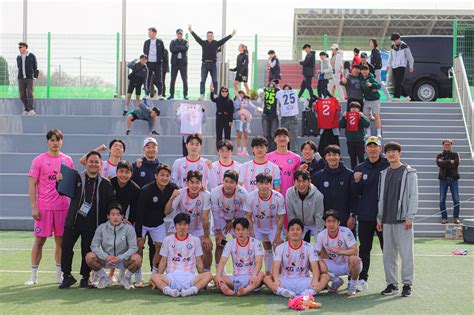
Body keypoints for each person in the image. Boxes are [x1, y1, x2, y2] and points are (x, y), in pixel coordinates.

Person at [58, 151, 116, 289]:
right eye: (91, 161)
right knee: (66, 247)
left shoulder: (105, 184)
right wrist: (59, 181)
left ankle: (85, 277)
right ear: (86, 163)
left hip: (93, 223)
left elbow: (112, 202)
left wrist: (118, 214)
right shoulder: (76, 178)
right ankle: (67, 276)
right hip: (73, 221)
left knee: (86, 250)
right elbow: (61, 190)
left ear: (101, 165)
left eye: (97, 162)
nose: (94, 164)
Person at [25, 129, 75, 286]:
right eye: (52, 140)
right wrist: (34, 207)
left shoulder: (67, 160)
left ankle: (59, 275)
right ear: (47, 142)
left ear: (62, 141)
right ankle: (33, 275)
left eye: (58, 139)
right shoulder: (38, 160)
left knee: (60, 242)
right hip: (44, 208)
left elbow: (72, 183)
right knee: (39, 241)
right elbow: (32, 185)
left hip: (62, 207)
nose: (55, 143)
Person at [377, 141, 418, 297]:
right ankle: (392, 284)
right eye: (388, 151)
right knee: (388, 254)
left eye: (394, 151)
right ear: (385, 154)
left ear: (399, 153)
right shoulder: (384, 173)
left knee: (406, 253)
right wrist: (379, 218)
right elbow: (380, 197)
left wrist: (410, 216)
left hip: (403, 220)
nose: (391, 154)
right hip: (386, 220)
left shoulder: (409, 172)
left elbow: (413, 196)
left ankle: (407, 284)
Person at [352, 136, 389, 291]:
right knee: (365, 248)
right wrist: (356, 182)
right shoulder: (360, 168)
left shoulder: (388, 166)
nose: (373, 150)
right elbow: (355, 194)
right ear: (365, 149)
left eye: (376, 146)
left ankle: (391, 280)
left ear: (380, 149)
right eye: (370, 147)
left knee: (387, 249)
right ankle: (362, 279)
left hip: (385, 216)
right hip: (366, 216)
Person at [149, 213, 214, 297]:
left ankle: (191, 291)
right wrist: (158, 276)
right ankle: (169, 291)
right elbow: (163, 261)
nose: (182, 227)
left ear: (188, 225)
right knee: (154, 277)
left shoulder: (195, 240)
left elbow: (199, 262)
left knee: (208, 275)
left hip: (190, 278)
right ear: (175, 226)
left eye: (185, 224)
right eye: (179, 224)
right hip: (171, 278)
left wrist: (201, 277)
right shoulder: (167, 240)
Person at [264, 218, 329, 297]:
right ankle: (282, 291)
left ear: (302, 232)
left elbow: (315, 267)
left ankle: (310, 292)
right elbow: (275, 267)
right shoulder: (280, 247)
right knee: (266, 278)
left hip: (304, 281)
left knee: (325, 277)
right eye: (292, 229)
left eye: (298, 229)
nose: (295, 232)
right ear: (287, 233)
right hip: (285, 281)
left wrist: (315, 281)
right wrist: (277, 281)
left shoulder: (309, 247)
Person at [135, 164, 179, 281]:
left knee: (160, 247)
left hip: (158, 223)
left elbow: (185, 191)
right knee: (139, 247)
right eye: (162, 175)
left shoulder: (172, 188)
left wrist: (201, 188)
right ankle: (138, 274)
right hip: (143, 223)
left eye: (167, 175)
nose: (164, 178)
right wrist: (139, 235)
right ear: (156, 176)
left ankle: (154, 273)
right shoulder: (146, 190)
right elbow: (139, 213)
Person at [86, 204, 141, 289]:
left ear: (122, 216)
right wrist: (106, 257)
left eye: (118, 215)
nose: (116, 217)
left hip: (123, 260)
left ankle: (126, 278)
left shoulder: (129, 229)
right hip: (107, 260)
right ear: (108, 216)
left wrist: (120, 257)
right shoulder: (101, 228)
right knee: (89, 257)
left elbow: (134, 247)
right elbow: (94, 246)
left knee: (137, 259)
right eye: (113, 214)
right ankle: (104, 278)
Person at [169, 170, 213, 272]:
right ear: (187, 183)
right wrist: (172, 198)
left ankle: (206, 275)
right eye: (192, 182)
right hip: (181, 227)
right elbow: (167, 211)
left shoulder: (206, 195)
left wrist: (206, 237)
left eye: (197, 182)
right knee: (167, 242)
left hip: (198, 228)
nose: (194, 185)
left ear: (201, 183)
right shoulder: (180, 192)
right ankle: (168, 273)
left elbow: (205, 218)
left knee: (207, 246)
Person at [245, 173, 285, 274]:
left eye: (266, 183)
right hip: (257, 227)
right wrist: (252, 233)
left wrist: (277, 235)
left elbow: (281, 217)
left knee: (278, 250)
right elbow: (248, 216)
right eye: (261, 183)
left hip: (273, 227)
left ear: (270, 184)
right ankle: (255, 275)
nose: (263, 186)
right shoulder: (250, 197)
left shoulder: (278, 197)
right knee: (253, 251)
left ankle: (278, 276)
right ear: (257, 184)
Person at [316, 210, 362, 296]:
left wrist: (340, 251)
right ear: (325, 223)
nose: (331, 224)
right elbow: (317, 253)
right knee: (313, 262)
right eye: (328, 221)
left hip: (348, 264)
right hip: (334, 264)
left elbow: (355, 250)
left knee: (355, 259)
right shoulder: (321, 235)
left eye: (334, 221)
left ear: (339, 222)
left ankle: (352, 286)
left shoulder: (346, 231)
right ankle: (336, 281)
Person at [312, 145, 356, 235]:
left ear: (339, 156)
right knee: (326, 247)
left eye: (335, 155)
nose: (332, 157)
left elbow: (354, 196)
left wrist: (353, 216)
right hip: (325, 219)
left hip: (345, 218)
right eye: (329, 155)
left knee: (348, 247)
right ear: (325, 157)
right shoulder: (318, 177)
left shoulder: (349, 175)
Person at [215, 217, 264, 296]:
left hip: (251, 279)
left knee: (261, 275)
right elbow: (222, 262)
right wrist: (218, 277)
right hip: (236, 279)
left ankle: (245, 290)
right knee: (217, 277)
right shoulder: (230, 243)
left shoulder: (255, 242)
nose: (240, 232)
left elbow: (259, 263)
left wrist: (254, 276)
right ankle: (228, 290)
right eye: (238, 230)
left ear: (247, 230)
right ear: (234, 231)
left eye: (243, 229)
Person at [188, 25, 236, 100]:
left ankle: (215, 95)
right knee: (202, 80)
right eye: (208, 36)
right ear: (207, 36)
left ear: (213, 36)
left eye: (211, 36)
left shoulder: (216, 43)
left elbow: (224, 40)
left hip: (213, 65)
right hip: (204, 64)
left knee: (215, 81)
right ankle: (202, 95)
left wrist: (231, 35)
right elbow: (197, 38)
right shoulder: (203, 43)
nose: (210, 37)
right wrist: (191, 31)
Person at [286, 170, 324, 242]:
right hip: (298, 223)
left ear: (309, 181)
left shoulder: (318, 195)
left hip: (314, 224)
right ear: (294, 182)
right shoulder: (289, 193)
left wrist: (319, 235)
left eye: (304, 181)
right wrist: (293, 230)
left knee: (320, 246)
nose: (301, 184)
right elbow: (291, 214)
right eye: (298, 181)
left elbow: (319, 217)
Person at [267, 128, 302, 204]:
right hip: (271, 197)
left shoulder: (296, 158)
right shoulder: (267, 157)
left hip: (291, 197)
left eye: (284, 136)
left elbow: (298, 178)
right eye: (279, 136)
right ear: (275, 139)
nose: (282, 138)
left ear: (288, 139)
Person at [339, 101, 371, 170]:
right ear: (349, 109)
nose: (354, 109)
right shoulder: (347, 116)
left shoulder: (361, 116)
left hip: (360, 140)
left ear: (359, 109)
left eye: (356, 108)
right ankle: (354, 171)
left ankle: (363, 171)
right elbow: (341, 125)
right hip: (350, 141)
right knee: (352, 158)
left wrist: (361, 117)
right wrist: (344, 117)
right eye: (352, 107)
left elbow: (367, 124)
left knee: (361, 157)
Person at [437, 139, 461, 224]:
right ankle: (444, 218)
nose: (447, 146)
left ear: (451, 145)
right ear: (443, 145)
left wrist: (444, 162)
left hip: (453, 179)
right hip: (443, 180)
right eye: (445, 144)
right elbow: (439, 164)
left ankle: (456, 217)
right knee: (442, 200)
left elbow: (456, 164)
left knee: (456, 200)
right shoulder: (439, 155)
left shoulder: (455, 155)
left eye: (448, 144)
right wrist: (450, 162)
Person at [110, 161, 140, 225]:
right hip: (106, 218)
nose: (123, 175)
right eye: (121, 171)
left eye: (127, 172)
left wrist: (130, 221)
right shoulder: (109, 184)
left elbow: (134, 208)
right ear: (116, 172)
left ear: (131, 174)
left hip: (121, 219)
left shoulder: (135, 189)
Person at [387, 33, 414, 101]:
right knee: (398, 82)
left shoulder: (404, 46)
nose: (394, 42)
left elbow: (410, 57)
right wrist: (389, 64)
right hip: (394, 66)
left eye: (395, 40)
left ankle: (396, 97)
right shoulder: (392, 46)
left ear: (399, 39)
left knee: (398, 82)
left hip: (401, 66)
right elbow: (391, 57)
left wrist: (411, 65)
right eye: (393, 41)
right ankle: (407, 96)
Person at [360, 65, 383, 138]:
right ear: (361, 71)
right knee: (365, 117)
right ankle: (368, 133)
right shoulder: (360, 78)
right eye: (363, 70)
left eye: (366, 70)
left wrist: (372, 85)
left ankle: (379, 133)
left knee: (376, 115)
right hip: (366, 100)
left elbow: (379, 86)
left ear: (368, 71)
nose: (364, 71)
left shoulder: (371, 78)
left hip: (375, 100)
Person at [17, 41, 39, 116]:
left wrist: (35, 77)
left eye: (21, 47)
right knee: (22, 95)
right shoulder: (18, 57)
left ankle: (31, 109)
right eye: (19, 47)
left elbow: (35, 67)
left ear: (25, 48)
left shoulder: (32, 56)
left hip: (30, 78)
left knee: (30, 94)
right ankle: (27, 109)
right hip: (21, 78)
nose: (19, 49)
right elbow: (19, 67)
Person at [276, 85, 299, 152]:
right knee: (283, 136)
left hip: (292, 116)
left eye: (288, 90)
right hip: (284, 117)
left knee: (293, 136)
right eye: (285, 90)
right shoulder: (281, 94)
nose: (286, 91)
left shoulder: (294, 92)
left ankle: (293, 152)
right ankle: (284, 150)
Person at [143, 27, 165, 99]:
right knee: (147, 78)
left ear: (155, 33)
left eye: (150, 32)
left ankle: (160, 94)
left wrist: (160, 60)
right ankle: (146, 94)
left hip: (157, 63)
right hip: (149, 63)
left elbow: (162, 51)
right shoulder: (146, 42)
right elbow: (144, 51)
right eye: (148, 32)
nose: (149, 34)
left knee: (159, 79)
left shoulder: (159, 42)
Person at [168, 28, 189, 100]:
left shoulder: (186, 41)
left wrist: (177, 47)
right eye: (178, 34)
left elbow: (185, 49)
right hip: (175, 63)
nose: (180, 35)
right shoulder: (173, 41)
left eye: (181, 34)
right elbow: (171, 49)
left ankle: (185, 95)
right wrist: (180, 48)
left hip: (183, 63)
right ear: (176, 34)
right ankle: (171, 94)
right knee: (173, 79)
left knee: (184, 79)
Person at [261, 82, 280, 152]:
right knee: (265, 134)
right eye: (269, 87)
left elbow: (280, 99)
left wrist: (277, 89)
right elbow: (259, 100)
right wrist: (263, 92)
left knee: (273, 134)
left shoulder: (278, 92)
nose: (271, 88)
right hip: (265, 115)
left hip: (274, 115)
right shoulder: (264, 93)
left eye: (273, 87)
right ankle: (266, 150)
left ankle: (273, 150)